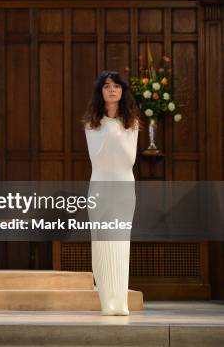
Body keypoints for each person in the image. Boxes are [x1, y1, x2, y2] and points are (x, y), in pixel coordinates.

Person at [83, 70, 140, 316]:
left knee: (120, 243)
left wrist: (116, 131)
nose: (112, 90)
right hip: (100, 186)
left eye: (116, 86)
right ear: (101, 92)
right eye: (107, 86)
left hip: (123, 188)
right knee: (102, 243)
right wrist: (111, 133)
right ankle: (107, 301)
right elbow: (98, 157)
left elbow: (129, 158)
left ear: (122, 91)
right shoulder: (92, 123)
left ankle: (121, 301)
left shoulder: (132, 123)